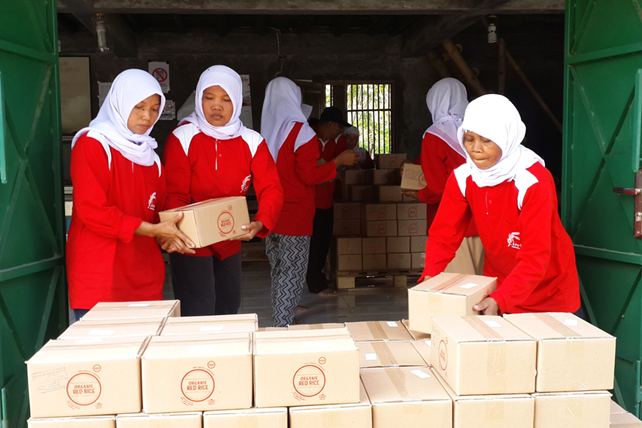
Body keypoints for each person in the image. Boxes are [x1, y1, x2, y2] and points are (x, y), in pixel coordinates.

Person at [419, 94, 580, 315]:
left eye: (486, 140)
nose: (475, 149)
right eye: (469, 139)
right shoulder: (464, 178)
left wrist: (501, 299)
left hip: (548, 291)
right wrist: (430, 276)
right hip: (500, 284)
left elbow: (536, 255)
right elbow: (444, 233)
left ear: (506, 138)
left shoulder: (532, 182)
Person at [67, 69, 194, 320]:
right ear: (120, 103)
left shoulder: (150, 156)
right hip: (100, 273)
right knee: (102, 345)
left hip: (144, 273)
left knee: (144, 343)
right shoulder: (93, 143)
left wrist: (169, 235)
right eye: (139, 107)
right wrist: (155, 230)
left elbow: (157, 213)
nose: (147, 116)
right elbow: (92, 210)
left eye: (155, 109)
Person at [163, 65, 283, 316]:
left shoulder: (252, 141)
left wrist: (261, 222)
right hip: (191, 241)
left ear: (237, 102)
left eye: (226, 99)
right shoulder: (183, 137)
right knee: (197, 309)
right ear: (199, 99)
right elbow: (175, 194)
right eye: (209, 98)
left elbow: (271, 188)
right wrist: (179, 231)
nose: (217, 106)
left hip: (229, 236)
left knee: (228, 306)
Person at [261, 77, 358, 326]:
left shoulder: (267, 132)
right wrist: (338, 162)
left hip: (270, 212)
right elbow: (309, 176)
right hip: (295, 213)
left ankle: (281, 314)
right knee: (292, 270)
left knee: (279, 269)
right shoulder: (301, 131)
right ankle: (283, 323)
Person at [402, 78, 483, 275]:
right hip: (483, 220)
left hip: (452, 223)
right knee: (483, 282)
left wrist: (418, 194)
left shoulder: (434, 135)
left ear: (435, 101)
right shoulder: (478, 131)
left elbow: (437, 189)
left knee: (456, 284)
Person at [306, 107, 354, 296]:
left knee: (323, 243)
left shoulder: (338, 142)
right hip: (309, 202)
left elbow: (339, 165)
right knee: (312, 245)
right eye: (339, 127)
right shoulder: (307, 137)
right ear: (330, 124)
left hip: (327, 199)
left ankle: (317, 280)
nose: (341, 131)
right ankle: (315, 284)